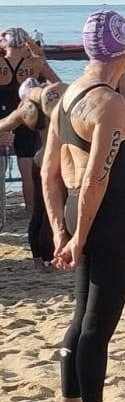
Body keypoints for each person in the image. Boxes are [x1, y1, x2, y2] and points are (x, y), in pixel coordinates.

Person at [38, 11, 125, 402]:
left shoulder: (66, 95)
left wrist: (61, 229)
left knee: (82, 319)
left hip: (81, 210)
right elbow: (99, 176)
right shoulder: (110, 105)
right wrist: (79, 236)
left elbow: (48, 172)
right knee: (99, 323)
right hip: (109, 216)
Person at [1, 27, 61, 237]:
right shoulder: (33, 64)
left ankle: (4, 211)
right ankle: (30, 208)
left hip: (4, 120)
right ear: (23, 43)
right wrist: (30, 42)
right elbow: (55, 80)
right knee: (27, 172)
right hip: (28, 118)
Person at [0, 76, 63, 267]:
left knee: (39, 210)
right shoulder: (55, 101)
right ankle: (47, 257)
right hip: (54, 159)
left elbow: (3, 124)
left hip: (40, 157)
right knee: (51, 212)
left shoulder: (26, 111)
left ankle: (39, 259)